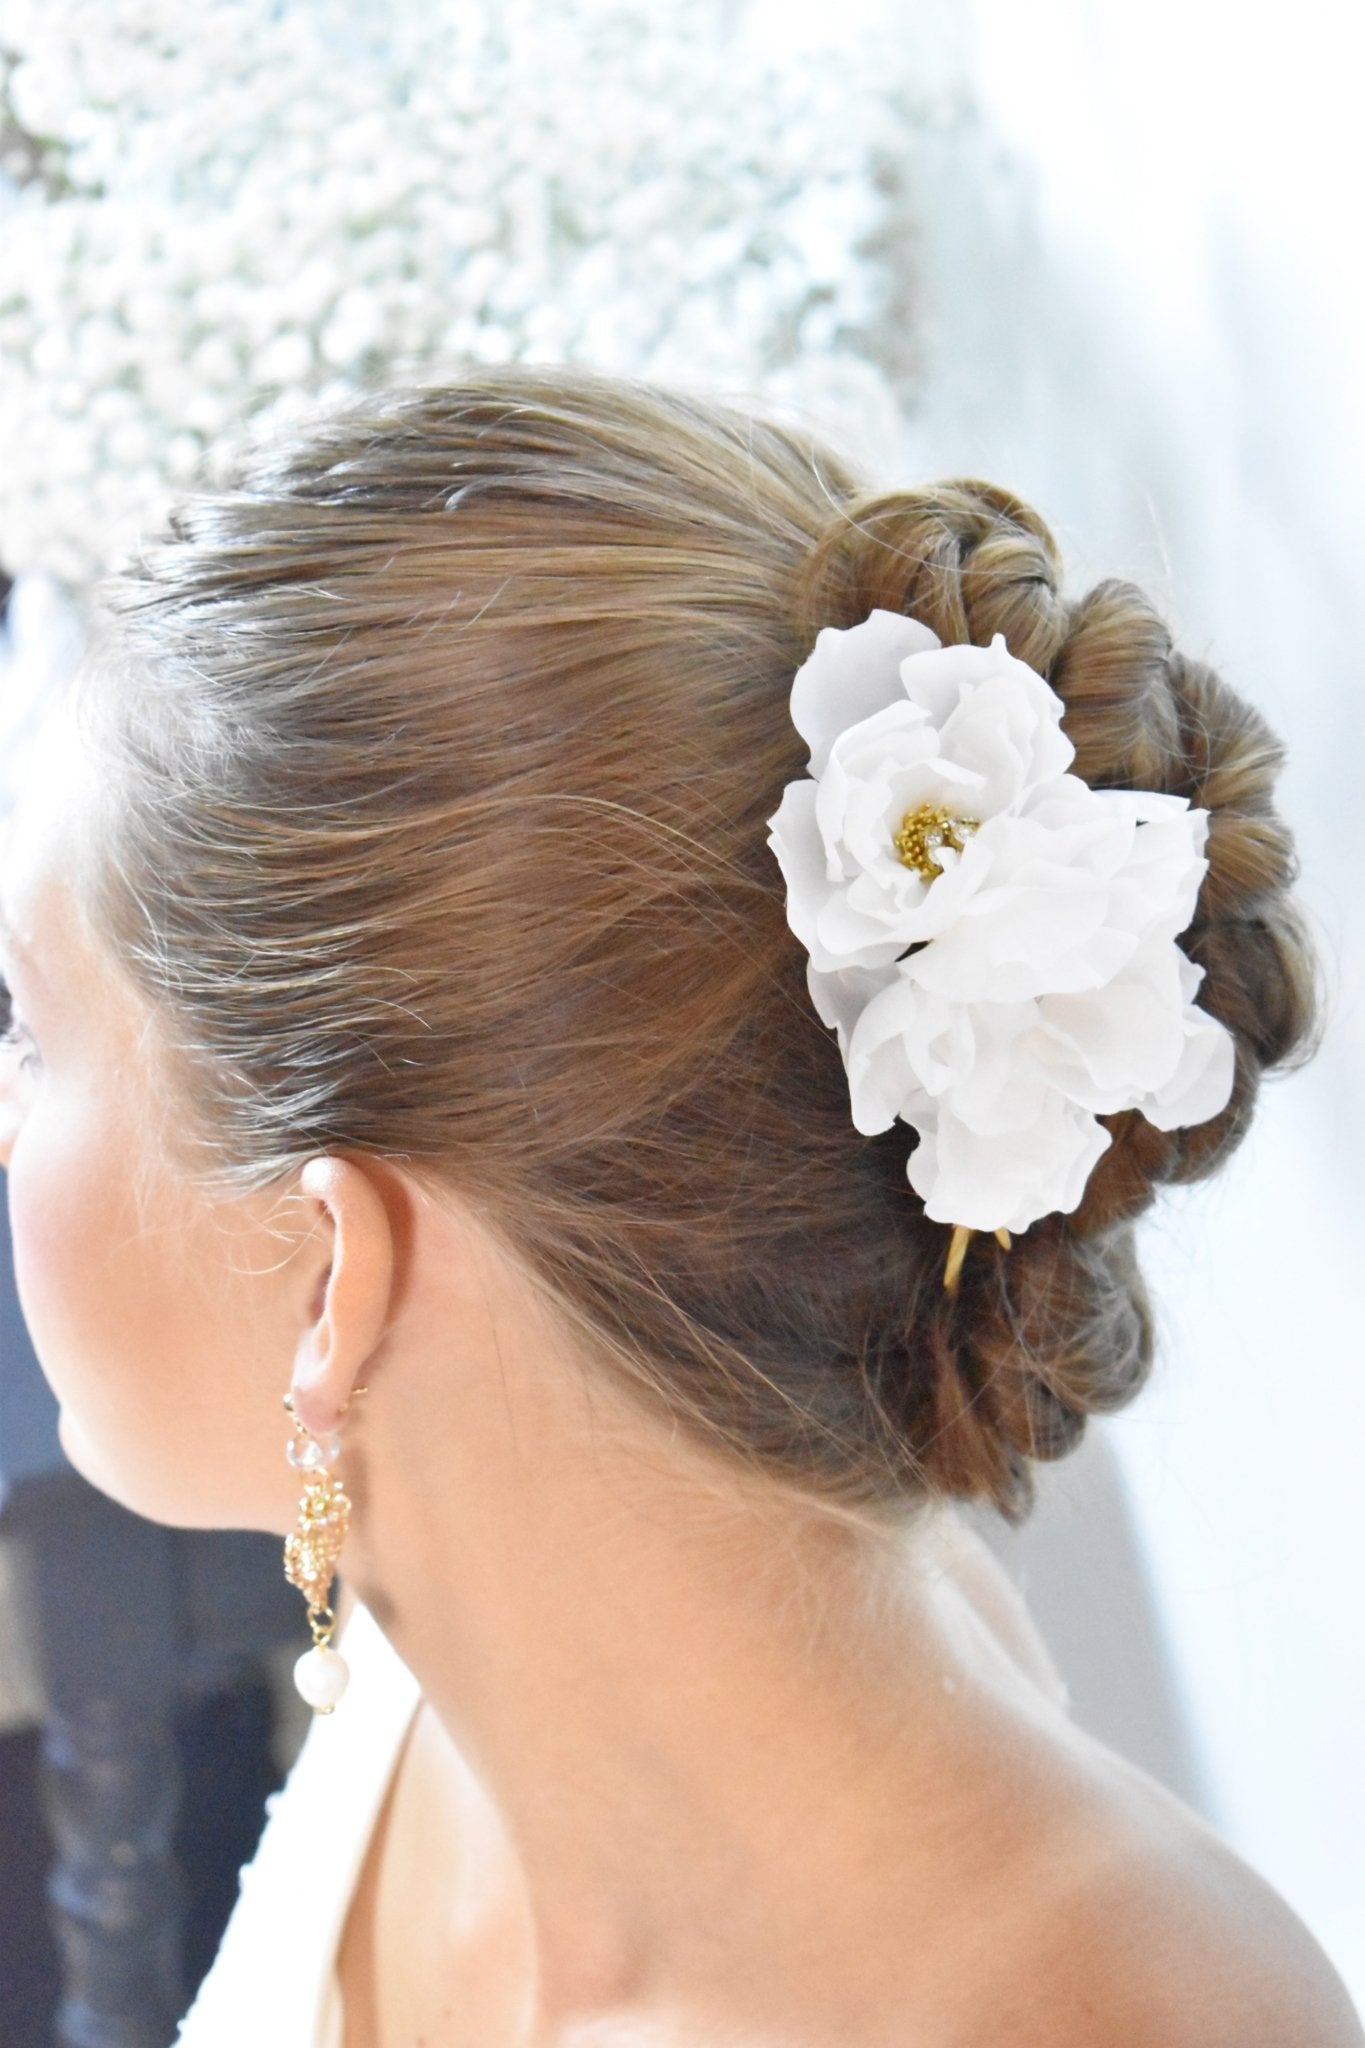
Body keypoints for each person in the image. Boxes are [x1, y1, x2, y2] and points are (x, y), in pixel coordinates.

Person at [0, 367, 1357, 2048]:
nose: (5, 1128)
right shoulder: (505, 1596)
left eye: (31, 1036)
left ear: (332, 1272)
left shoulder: (1124, 2016)